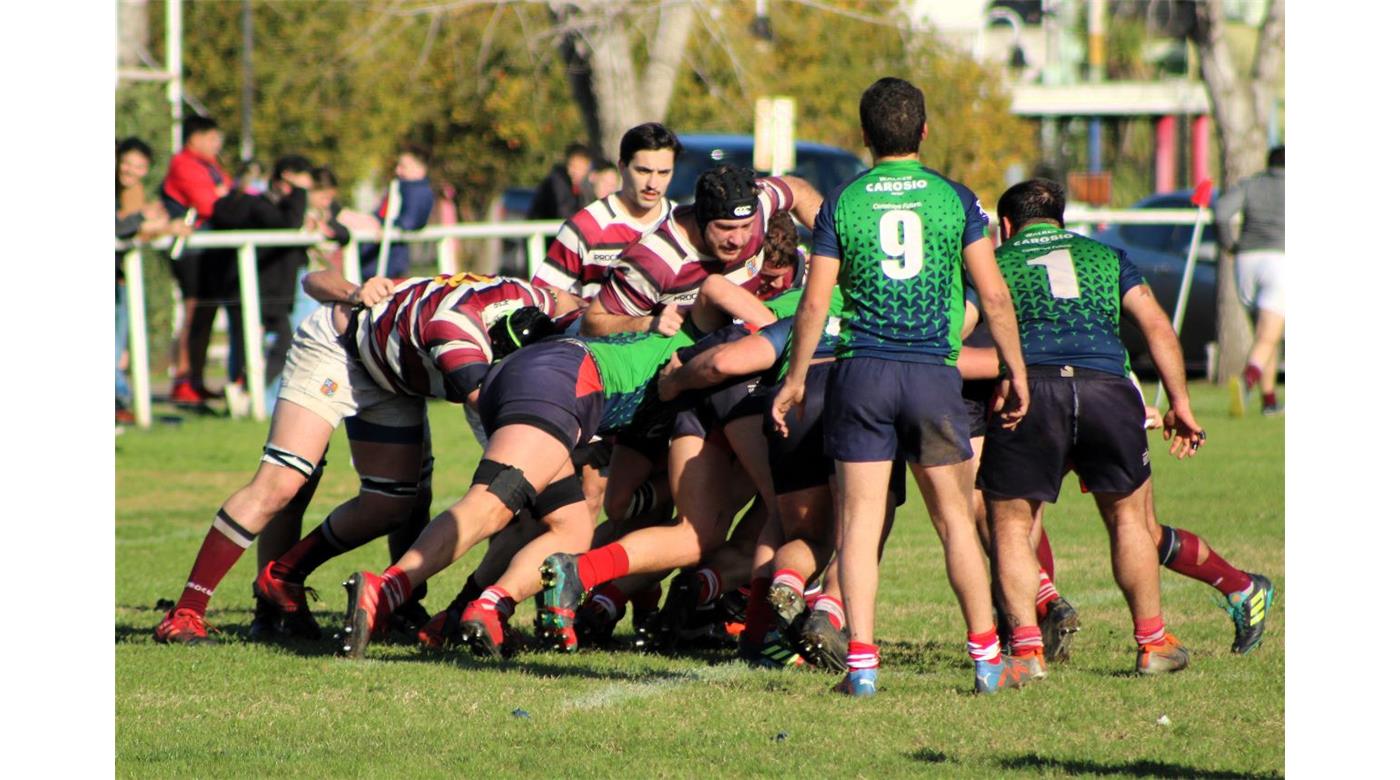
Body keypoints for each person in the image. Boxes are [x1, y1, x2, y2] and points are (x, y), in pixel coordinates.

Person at [770, 77, 1032, 698]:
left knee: (859, 522)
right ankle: (986, 658)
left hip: (861, 375)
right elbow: (993, 294)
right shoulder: (956, 200)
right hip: (932, 375)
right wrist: (1015, 370)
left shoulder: (842, 202)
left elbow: (813, 305)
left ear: (864, 137)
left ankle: (862, 665)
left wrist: (798, 376)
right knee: (954, 523)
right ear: (923, 132)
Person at [152, 272, 578, 644]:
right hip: (338, 351)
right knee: (283, 482)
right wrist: (355, 290)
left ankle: (285, 577)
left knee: (392, 504)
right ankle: (186, 610)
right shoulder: (456, 336)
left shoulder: (537, 300)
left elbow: (577, 306)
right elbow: (314, 278)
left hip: (392, 377)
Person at [979, 178, 1208, 680]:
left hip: (1033, 389)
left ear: (1007, 227)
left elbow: (967, 327)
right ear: (1061, 220)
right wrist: (1181, 403)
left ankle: (1026, 653)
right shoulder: (1107, 256)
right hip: (1109, 388)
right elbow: (1156, 326)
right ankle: (1153, 644)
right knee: (1129, 519)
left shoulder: (992, 261)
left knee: (1012, 525)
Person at [581, 164, 821, 337]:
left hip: (737, 339)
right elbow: (592, 322)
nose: (738, 239)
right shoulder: (657, 260)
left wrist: (837, 245)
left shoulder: (756, 207)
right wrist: (648, 324)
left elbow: (797, 189)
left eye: (745, 227)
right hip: (679, 366)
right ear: (701, 220)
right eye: (725, 228)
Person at [531, 123, 682, 302]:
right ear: (622, 167)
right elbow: (542, 298)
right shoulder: (586, 226)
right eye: (643, 171)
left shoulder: (682, 223)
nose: (653, 183)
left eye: (664, 173)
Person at [160, 114, 233, 405]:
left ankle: (197, 379)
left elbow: (227, 194)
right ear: (195, 138)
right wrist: (223, 195)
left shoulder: (211, 165)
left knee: (206, 311)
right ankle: (182, 377)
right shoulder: (183, 163)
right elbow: (208, 203)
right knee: (193, 310)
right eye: (212, 138)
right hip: (190, 249)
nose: (217, 144)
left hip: (210, 249)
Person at [116, 137, 186, 424]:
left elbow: (133, 230)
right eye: (126, 163)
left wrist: (159, 226)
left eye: (138, 166)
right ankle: (119, 402)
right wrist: (148, 221)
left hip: (120, 279)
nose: (130, 171)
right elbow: (121, 228)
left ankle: (121, 402)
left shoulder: (134, 192)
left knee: (118, 346)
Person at [1214, 145, 1285, 416]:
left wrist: (1229, 244)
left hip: (1246, 262)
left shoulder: (1252, 184)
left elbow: (1221, 212)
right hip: (1280, 262)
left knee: (1265, 336)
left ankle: (1269, 401)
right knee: (1269, 336)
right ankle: (1245, 384)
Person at [358, 143, 435, 280]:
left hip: (389, 262)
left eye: (403, 166)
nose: (398, 171)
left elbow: (410, 222)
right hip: (379, 261)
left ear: (420, 168)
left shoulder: (416, 190)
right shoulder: (401, 187)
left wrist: (382, 225)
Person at [528, 142, 593, 220]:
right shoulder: (558, 181)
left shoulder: (585, 184)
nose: (574, 171)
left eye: (580, 167)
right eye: (572, 166)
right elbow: (563, 212)